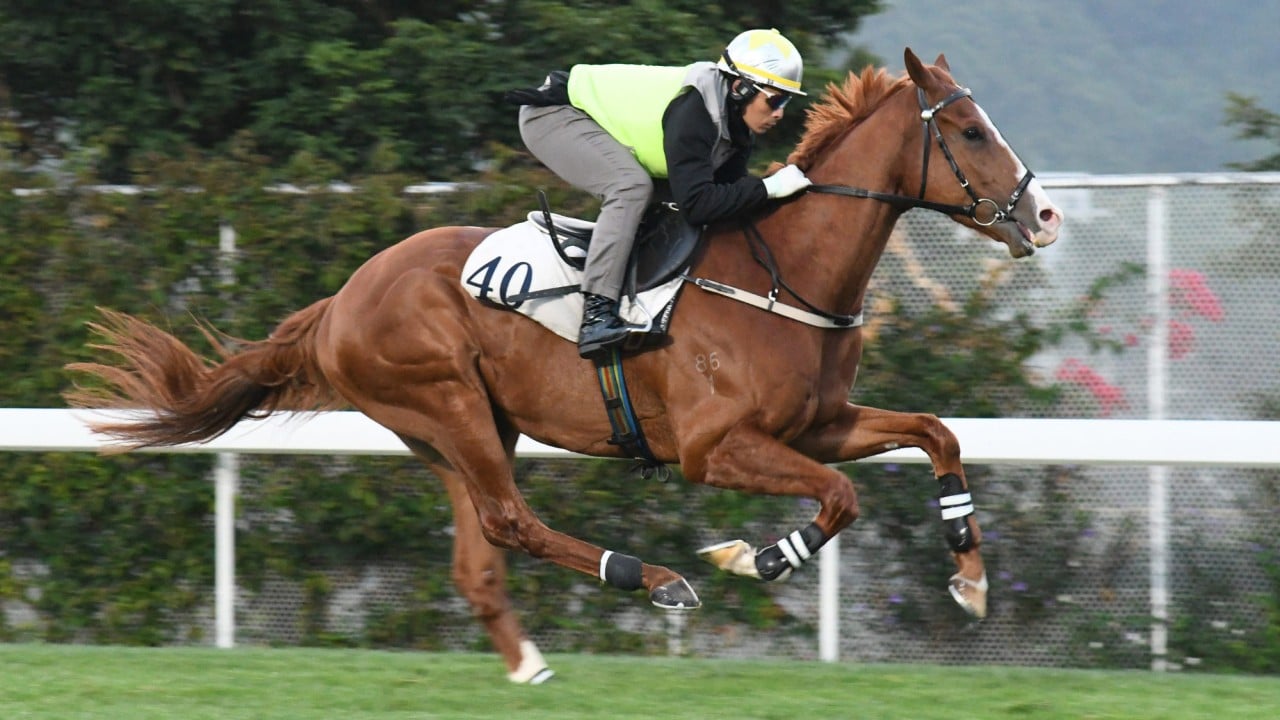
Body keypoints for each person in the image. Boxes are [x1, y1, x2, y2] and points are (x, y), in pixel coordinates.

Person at [507, 28, 813, 358]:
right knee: (631, 188)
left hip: (587, 120)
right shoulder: (694, 113)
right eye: (775, 99)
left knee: (664, 194)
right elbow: (698, 205)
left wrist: (769, 191)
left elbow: (725, 200)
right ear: (740, 88)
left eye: (787, 101)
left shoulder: (736, 128)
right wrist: (767, 188)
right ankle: (595, 313)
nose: (780, 112)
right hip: (554, 114)